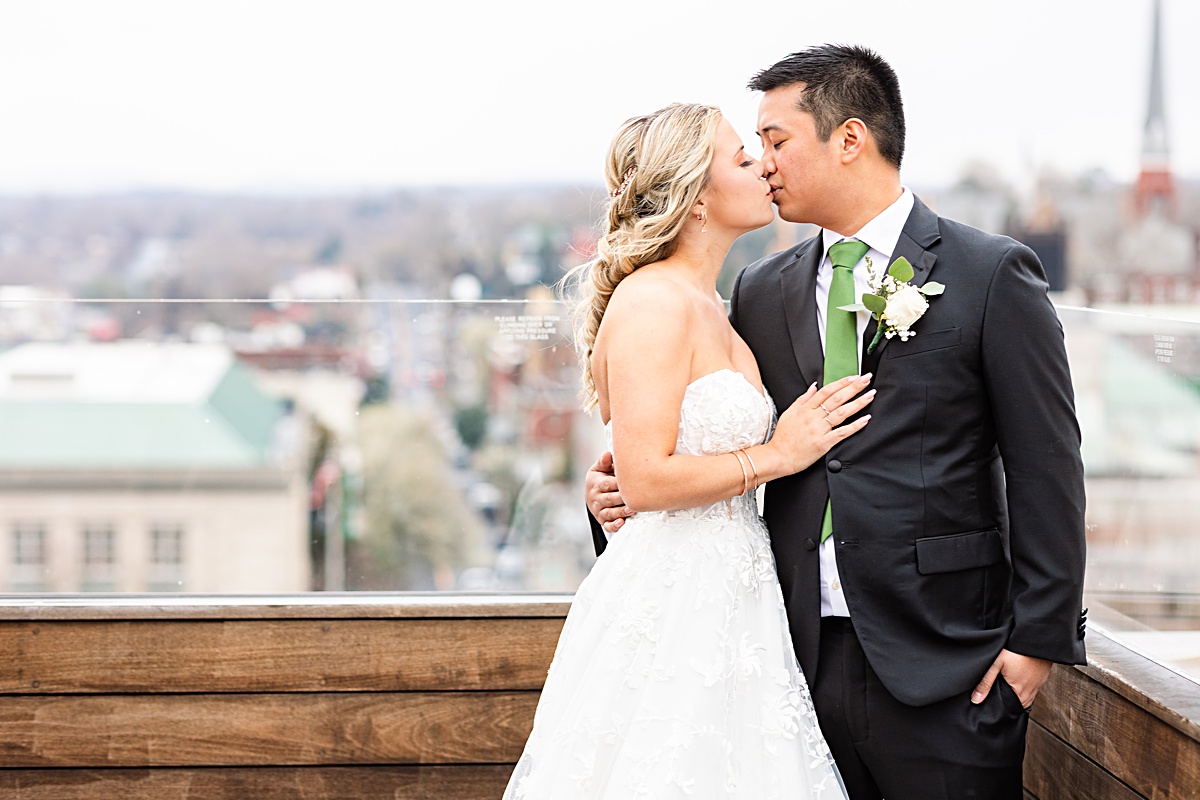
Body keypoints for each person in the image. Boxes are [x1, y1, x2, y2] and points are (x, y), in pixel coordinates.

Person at [587, 46, 1088, 800]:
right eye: (751, 148)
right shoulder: (759, 290)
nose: (763, 163)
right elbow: (695, 433)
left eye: (777, 141)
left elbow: (1046, 464)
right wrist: (614, 494)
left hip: (949, 669)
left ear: (849, 139)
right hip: (784, 660)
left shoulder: (991, 274)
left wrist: (1035, 646)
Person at [504, 102, 875, 799]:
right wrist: (779, 454)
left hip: (740, 595)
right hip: (673, 603)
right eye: (742, 157)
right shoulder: (654, 303)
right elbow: (644, 480)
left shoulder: (719, 303)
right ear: (696, 196)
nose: (763, 164)